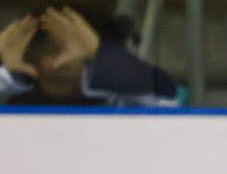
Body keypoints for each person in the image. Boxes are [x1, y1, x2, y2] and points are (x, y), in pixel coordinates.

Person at [0, 7, 183, 107]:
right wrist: (9, 73)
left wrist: (100, 53)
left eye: (77, 48)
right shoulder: (15, 101)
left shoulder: (121, 102)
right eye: (50, 49)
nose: (56, 61)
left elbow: (167, 98)